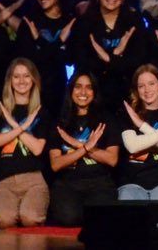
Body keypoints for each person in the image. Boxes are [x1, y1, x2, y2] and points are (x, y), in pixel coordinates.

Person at [47, 72, 119, 227]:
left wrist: (77, 144)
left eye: (88, 88)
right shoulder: (60, 123)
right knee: (69, 219)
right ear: (71, 90)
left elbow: (112, 159)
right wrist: (86, 147)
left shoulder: (106, 120)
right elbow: (56, 164)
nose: (83, 93)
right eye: (78, 87)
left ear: (95, 92)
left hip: (100, 183)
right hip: (67, 184)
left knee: (101, 220)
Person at [0, 58, 50, 228]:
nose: (21, 81)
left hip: (34, 180)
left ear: (34, 79)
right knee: (5, 220)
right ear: (10, 81)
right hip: (4, 180)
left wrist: (14, 124)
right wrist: (22, 127)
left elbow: (37, 149)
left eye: (26, 76)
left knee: (30, 218)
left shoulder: (41, 113)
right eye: (16, 76)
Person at [72, 0, 145, 101]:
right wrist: (116, 56)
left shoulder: (134, 21)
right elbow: (81, 61)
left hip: (128, 91)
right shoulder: (85, 22)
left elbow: (137, 61)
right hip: (93, 92)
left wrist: (107, 58)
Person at [116, 65, 158, 200]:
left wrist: (141, 125)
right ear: (136, 90)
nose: (147, 90)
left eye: (151, 84)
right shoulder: (128, 115)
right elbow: (132, 146)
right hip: (131, 182)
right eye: (141, 86)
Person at [23, 0, 76, 118]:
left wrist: (39, 41)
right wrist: (59, 42)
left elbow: (69, 59)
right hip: (32, 89)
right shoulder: (31, 21)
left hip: (60, 89)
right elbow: (32, 59)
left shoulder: (70, 21)